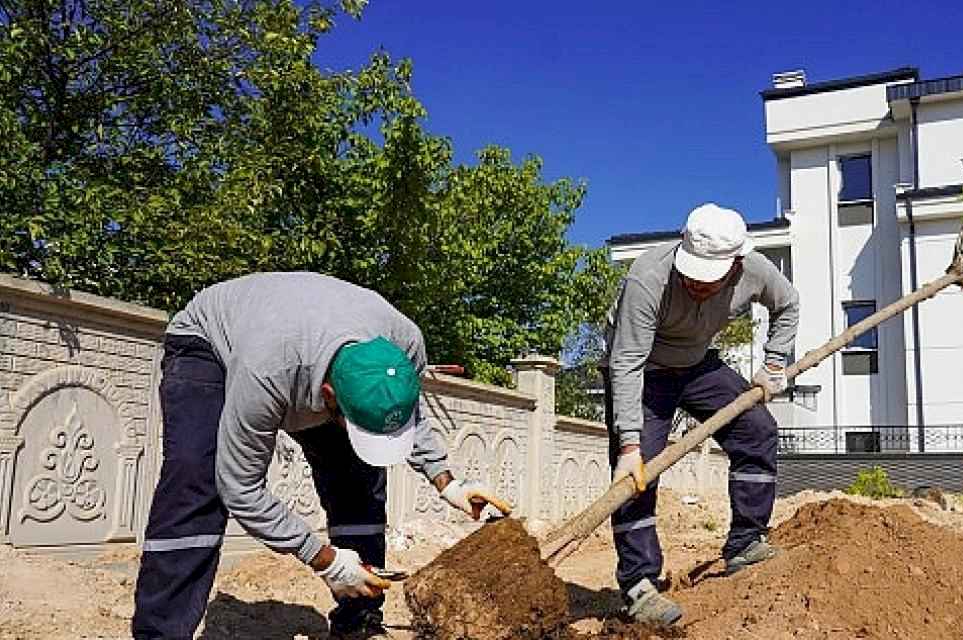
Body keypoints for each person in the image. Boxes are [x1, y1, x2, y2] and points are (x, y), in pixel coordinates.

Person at [132, 272, 510, 640]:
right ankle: (161, 631)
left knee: (358, 480)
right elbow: (240, 488)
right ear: (328, 396)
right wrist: (323, 559)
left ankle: (358, 622)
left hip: (308, 340)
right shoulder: (267, 372)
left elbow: (400, 407)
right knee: (196, 482)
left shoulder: (405, 344)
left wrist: (448, 482)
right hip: (209, 341)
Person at [603, 203, 800, 626]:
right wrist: (629, 445)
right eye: (692, 275)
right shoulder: (648, 276)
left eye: (708, 279)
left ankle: (745, 542)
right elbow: (626, 363)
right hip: (646, 371)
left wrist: (774, 362)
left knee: (757, 430)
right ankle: (639, 585)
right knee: (638, 475)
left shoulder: (757, 270)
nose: (698, 285)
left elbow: (789, 305)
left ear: (736, 263)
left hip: (698, 365)